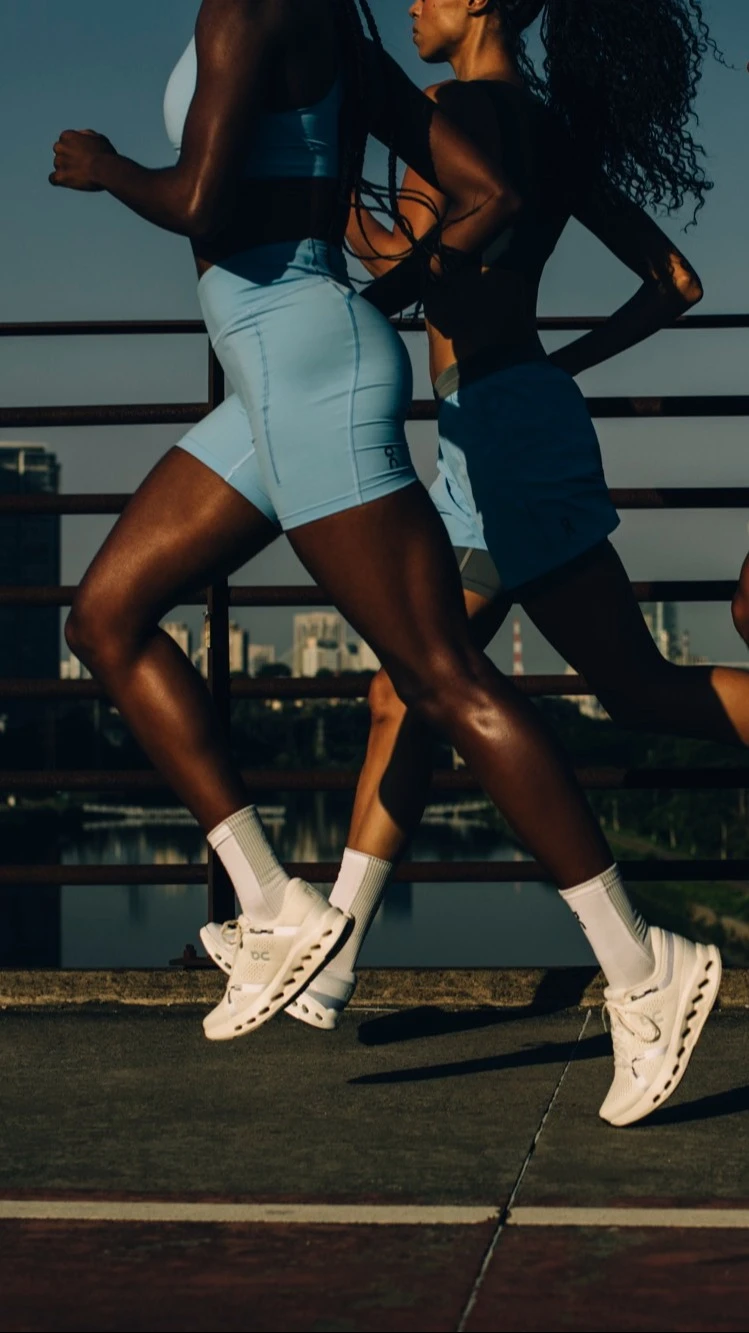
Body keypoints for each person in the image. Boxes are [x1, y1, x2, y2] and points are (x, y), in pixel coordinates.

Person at [50, 0, 718, 1127]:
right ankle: (274, 902)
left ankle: (641, 964)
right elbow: (489, 197)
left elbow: (199, 200)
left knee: (441, 679)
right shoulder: (332, 23)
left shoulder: (249, 6)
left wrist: (106, 166)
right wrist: (371, 300)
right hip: (284, 371)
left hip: (299, 370)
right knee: (104, 617)